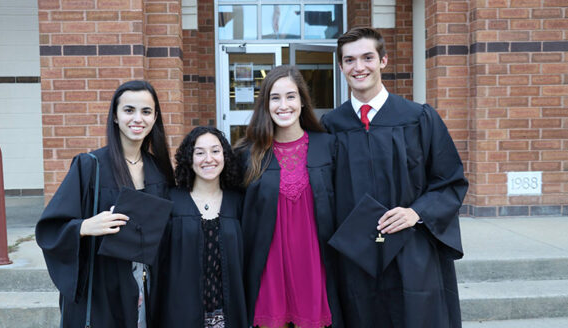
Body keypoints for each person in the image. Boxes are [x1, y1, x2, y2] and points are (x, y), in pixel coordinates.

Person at [320, 27, 469, 328]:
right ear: (340, 67)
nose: (358, 67)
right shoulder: (330, 126)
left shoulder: (418, 117)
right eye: (349, 60)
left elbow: (450, 180)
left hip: (411, 250)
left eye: (367, 57)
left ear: (383, 60)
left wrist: (416, 212)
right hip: (354, 254)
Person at [36, 80, 175, 327]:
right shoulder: (90, 166)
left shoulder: (160, 171)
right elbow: (49, 229)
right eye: (129, 110)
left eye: (146, 112)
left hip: (147, 285)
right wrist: (84, 226)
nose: (138, 119)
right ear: (115, 116)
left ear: (155, 118)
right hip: (102, 285)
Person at [235, 65, 343, 328]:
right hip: (268, 266)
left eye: (291, 96)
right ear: (266, 105)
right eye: (275, 98)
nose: (284, 105)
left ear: (303, 102)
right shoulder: (248, 154)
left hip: (314, 264)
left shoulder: (327, 147)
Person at [152, 126, 247, 328]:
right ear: (189, 158)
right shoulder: (172, 201)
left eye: (215, 151)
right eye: (200, 152)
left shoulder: (238, 202)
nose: (208, 159)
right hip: (180, 314)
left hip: (228, 315)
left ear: (225, 156)